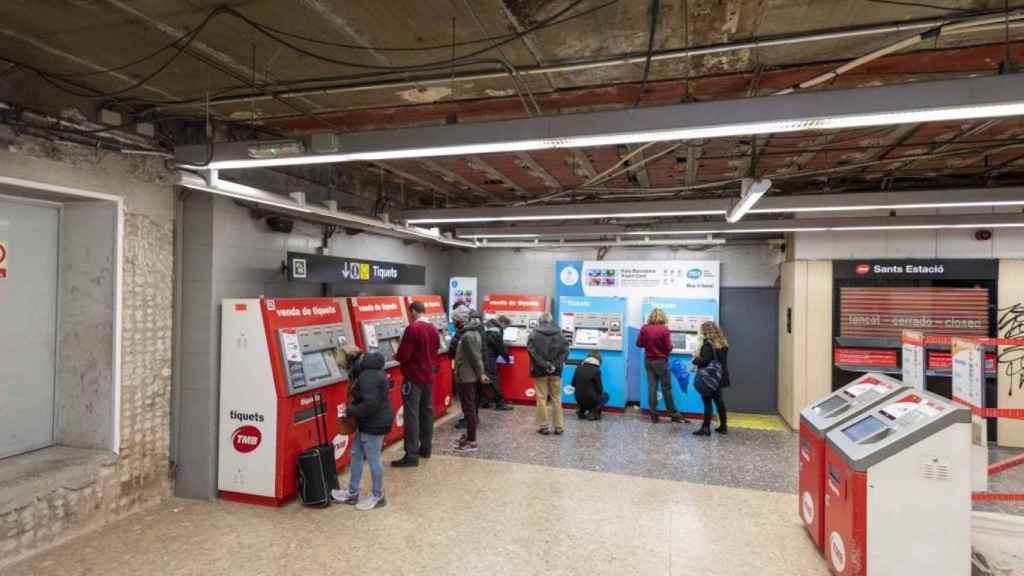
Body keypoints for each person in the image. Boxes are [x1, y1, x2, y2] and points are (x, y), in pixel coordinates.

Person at [332, 344, 392, 511]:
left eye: (343, 365)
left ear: (349, 360)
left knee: (373, 460)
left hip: (375, 421)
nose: (343, 368)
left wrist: (351, 410)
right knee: (356, 454)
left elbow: (370, 403)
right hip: (367, 420)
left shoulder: (367, 375)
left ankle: (378, 496)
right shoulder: (364, 370)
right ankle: (352, 493)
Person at [392, 300, 441, 467]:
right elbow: (437, 349)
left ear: (412, 311)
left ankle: (411, 455)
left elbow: (404, 354)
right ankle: (426, 448)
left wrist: (395, 356)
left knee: (411, 415)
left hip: (413, 378)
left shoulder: (412, 329)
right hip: (428, 376)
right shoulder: (433, 328)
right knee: (427, 413)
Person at [636, 308, 685, 424]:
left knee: (652, 388)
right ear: (663, 317)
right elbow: (668, 347)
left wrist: (649, 344)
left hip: (648, 361)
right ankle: (674, 415)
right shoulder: (664, 329)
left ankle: (653, 416)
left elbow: (638, 343)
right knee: (666, 388)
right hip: (661, 362)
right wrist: (671, 346)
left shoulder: (644, 328)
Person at [452, 308, 488, 452]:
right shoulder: (473, 333)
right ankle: (469, 436)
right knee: (469, 408)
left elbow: (475, 358)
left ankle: (472, 441)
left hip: (467, 377)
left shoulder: (468, 336)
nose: (454, 323)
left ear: (461, 321)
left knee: (469, 409)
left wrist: (481, 374)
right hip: (467, 375)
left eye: (455, 321)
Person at [527, 312, 569, 435]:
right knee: (556, 398)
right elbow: (565, 352)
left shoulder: (533, 334)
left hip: (540, 371)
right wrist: (554, 365)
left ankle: (544, 426)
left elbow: (532, 352)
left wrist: (545, 365)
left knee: (541, 398)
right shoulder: (559, 333)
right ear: (551, 321)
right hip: (556, 372)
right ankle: (559, 426)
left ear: (540, 321)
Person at [692, 321, 730, 436]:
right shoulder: (723, 344)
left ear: (706, 331)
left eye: (702, 330)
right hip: (719, 377)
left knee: (707, 402)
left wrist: (695, 359)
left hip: (708, 378)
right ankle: (723, 426)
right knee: (719, 402)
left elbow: (704, 361)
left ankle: (705, 428)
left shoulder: (708, 344)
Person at [480, 315, 514, 411]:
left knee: (484, 380)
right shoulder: (496, 332)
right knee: (495, 380)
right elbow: (501, 349)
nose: (505, 329)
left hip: (481, 358)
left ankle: (483, 401)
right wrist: (507, 359)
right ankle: (499, 404)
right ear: (502, 323)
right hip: (489, 359)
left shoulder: (487, 326)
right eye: (505, 327)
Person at [572, 350, 609, 421]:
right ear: (598, 360)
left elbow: (573, 384)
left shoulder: (578, 368)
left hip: (578, 398)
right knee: (605, 396)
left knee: (584, 395)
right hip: (591, 399)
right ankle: (593, 413)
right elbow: (600, 389)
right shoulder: (596, 370)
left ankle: (581, 411)